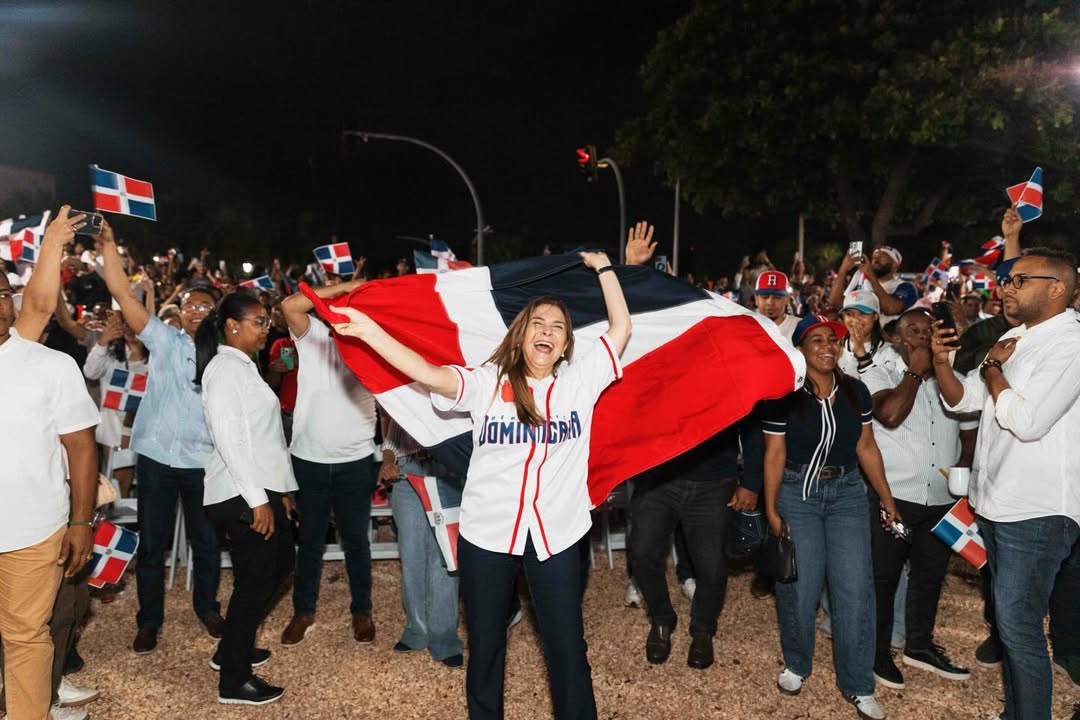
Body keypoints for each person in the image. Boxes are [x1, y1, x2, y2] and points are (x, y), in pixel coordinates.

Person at [330, 251, 630, 720]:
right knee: (486, 648)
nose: (547, 330)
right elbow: (428, 373)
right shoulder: (488, 382)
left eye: (557, 325)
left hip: (556, 536)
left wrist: (607, 270)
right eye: (537, 323)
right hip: (487, 536)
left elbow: (621, 330)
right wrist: (370, 332)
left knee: (567, 649)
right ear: (521, 334)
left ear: (567, 342)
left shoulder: (580, 383)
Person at [932, 247, 1080, 720]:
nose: (1006, 287)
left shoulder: (1070, 343)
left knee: (1018, 626)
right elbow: (967, 401)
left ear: (1057, 287)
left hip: (1037, 509)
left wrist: (994, 371)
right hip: (997, 504)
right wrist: (940, 362)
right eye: (1008, 280)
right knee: (1010, 622)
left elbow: (1028, 420)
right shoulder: (1017, 336)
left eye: (1019, 280)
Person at [763, 314, 899, 720]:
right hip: (796, 493)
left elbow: (867, 449)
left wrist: (887, 499)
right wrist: (770, 508)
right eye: (817, 339)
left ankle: (858, 684)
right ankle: (797, 663)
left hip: (847, 496)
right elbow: (774, 455)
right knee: (801, 588)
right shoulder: (781, 395)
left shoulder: (857, 393)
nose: (827, 346)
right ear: (801, 347)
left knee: (855, 589)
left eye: (833, 340)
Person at [98, 222, 224, 654]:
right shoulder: (163, 339)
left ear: (217, 315)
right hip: (155, 458)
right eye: (189, 304)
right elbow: (121, 293)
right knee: (151, 546)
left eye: (205, 306)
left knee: (207, 543)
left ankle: (208, 607)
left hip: (204, 462)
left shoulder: (227, 355)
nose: (195, 311)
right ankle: (149, 620)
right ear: (180, 310)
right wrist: (110, 249)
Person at [0, 208, 100, 720]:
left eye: (1, 294)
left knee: (25, 638)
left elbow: (83, 447)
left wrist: (80, 522)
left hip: (33, 533)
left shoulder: (49, 365)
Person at [861, 310, 976, 690]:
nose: (923, 337)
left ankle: (919, 646)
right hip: (894, 498)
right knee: (883, 578)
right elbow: (890, 415)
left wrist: (961, 466)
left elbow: (970, 433)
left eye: (930, 331)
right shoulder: (879, 374)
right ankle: (877, 653)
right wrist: (916, 371)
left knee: (929, 577)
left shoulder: (954, 381)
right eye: (914, 331)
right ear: (897, 337)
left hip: (941, 500)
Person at [195, 293, 297, 706]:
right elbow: (230, 439)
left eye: (267, 320)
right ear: (232, 326)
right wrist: (258, 500)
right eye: (258, 320)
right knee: (255, 580)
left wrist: (280, 492)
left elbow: (265, 440)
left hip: (259, 486)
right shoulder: (223, 369)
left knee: (278, 565)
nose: (266, 327)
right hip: (240, 491)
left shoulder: (245, 367)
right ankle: (234, 681)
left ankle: (231, 648)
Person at [278, 280, 380, 646]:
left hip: (355, 458)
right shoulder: (314, 334)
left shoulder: (375, 341)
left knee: (356, 541)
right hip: (310, 458)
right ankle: (303, 612)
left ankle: (361, 610)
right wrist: (354, 284)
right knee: (309, 541)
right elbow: (290, 305)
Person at [630, 419, 762, 670]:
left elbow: (751, 421)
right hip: (659, 476)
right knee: (642, 552)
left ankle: (703, 630)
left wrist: (751, 482)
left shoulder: (730, 377)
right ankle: (661, 619)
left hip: (714, 482)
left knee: (711, 565)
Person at [381, 415, 465, 666]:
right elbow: (392, 435)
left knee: (444, 557)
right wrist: (388, 460)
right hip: (407, 473)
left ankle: (444, 638)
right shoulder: (405, 388)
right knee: (411, 556)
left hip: (448, 473)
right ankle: (416, 631)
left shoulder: (451, 385)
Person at [82, 310, 149, 496]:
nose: (130, 329)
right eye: (125, 324)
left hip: (144, 431)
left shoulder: (156, 360)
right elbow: (90, 372)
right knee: (117, 482)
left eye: (133, 324)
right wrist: (103, 341)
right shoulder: (111, 357)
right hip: (113, 431)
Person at [829, 247, 917, 326]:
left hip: (888, 340)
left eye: (881, 257)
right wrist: (843, 270)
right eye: (874, 257)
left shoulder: (905, 286)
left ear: (895, 265)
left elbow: (891, 309)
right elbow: (836, 303)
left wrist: (872, 277)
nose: (875, 259)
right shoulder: (862, 281)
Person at [837, 290, 895, 377]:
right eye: (849, 314)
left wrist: (862, 354)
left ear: (875, 316)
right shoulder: (834, 347)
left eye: (862, 313)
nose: (855, 319)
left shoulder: (890, 352)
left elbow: (882, 389)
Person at [753, 270, 800, 339]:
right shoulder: (743, 327)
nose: (770, 302)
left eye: (777, 297)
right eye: (765, 297)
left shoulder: (800, 327)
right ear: (756, 299)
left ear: (787, 299)